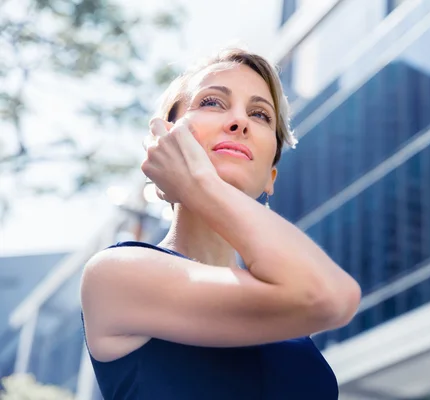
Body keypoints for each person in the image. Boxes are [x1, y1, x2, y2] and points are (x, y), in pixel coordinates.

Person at [80, 47, 362, 400]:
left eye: (260, 114)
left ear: (270, 177)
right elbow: (330, 298)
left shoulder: (288, 315)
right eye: (212, 102)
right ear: (166, 140)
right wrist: (201, 183)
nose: (240, 122)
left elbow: (329, 296)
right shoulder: (116, 275)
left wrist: (204, 184)